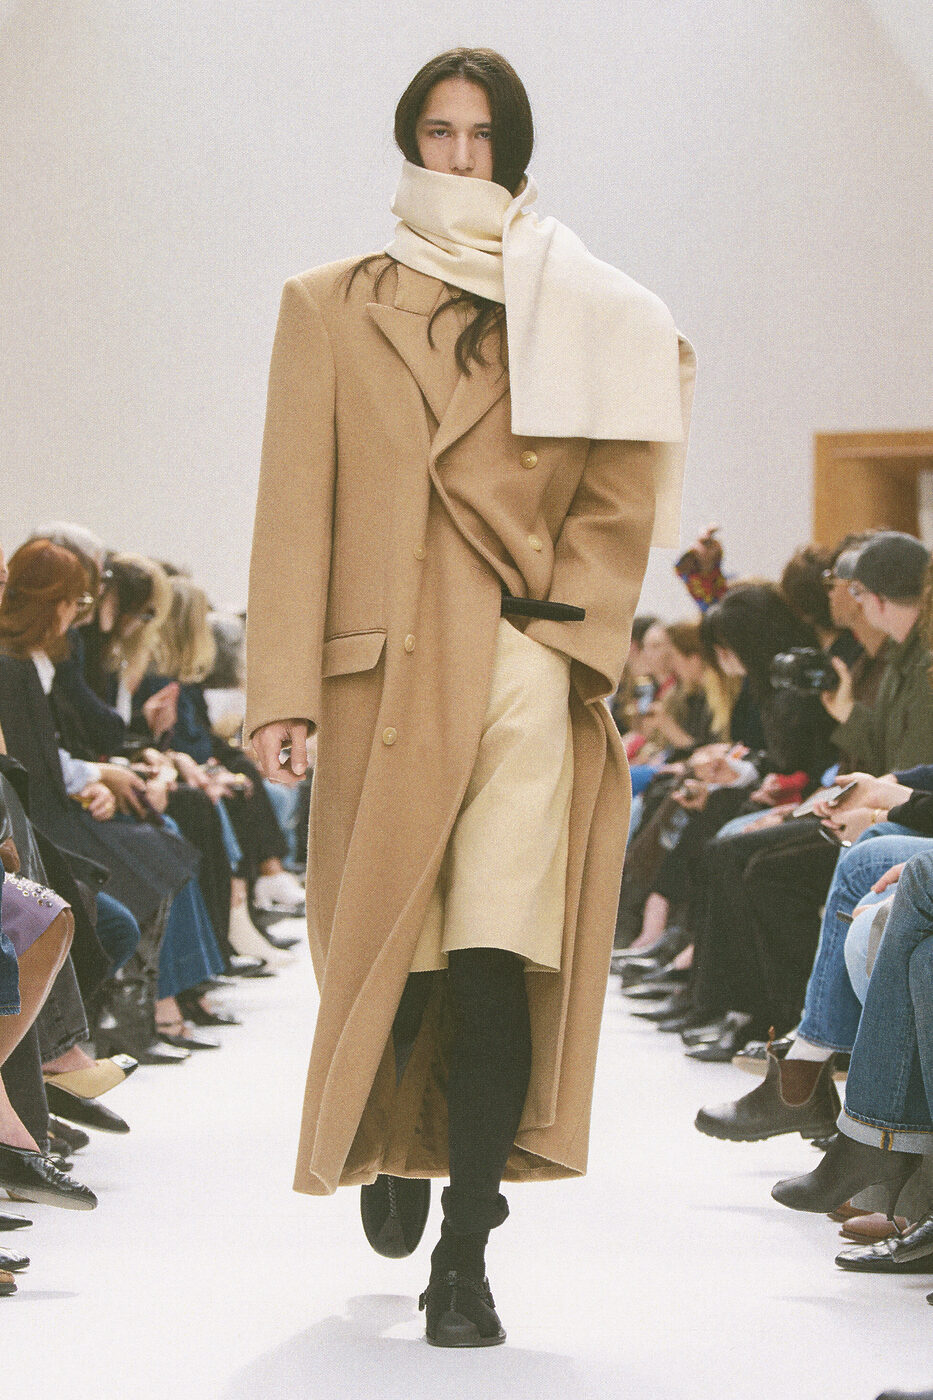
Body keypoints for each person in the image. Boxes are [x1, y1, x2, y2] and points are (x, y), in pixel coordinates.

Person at [245, 47, 695, 1347]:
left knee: (498, 957)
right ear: (408, 144)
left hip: (518, 667)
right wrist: (279, 691)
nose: (458, 155)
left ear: (512, 149)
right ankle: (392, 1136)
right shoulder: (329, 304)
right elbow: (294, 506)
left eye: (480, 134)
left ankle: (466, 1252)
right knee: (390, 952)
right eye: (437, 132)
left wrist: (566, 629)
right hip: (384, 675)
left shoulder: (589, 307)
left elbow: (618, 489)